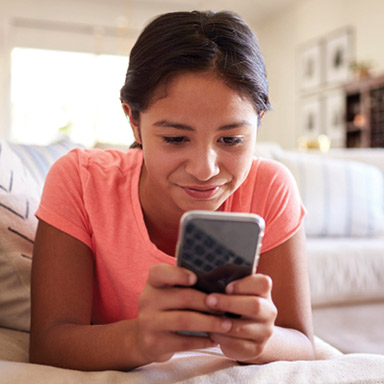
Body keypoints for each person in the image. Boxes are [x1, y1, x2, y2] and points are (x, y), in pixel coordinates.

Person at [29, 10, 315, 371]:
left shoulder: (271, 186)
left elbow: (303, 343)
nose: (204, 169)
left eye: (231, 139)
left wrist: (261, 340)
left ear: (258, 123)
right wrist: (140, 339)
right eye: (176, 138)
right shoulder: (80, 181)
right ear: (134, 121)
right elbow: (48, 345)